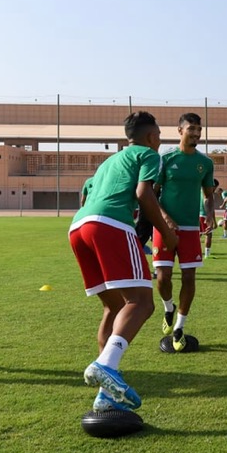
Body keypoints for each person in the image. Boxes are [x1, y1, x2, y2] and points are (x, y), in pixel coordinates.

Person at [69, 111, 178, 412]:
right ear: (151, 136)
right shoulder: (149, 155)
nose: (159, 140)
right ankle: (106, 365)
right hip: (111, 224)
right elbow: (144, 194)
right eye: (159, 135)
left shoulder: (108, 162)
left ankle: (106, 391)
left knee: (114, 307)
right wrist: (166, 233)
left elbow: (85, 192)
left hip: (78, 228)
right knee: (142, 302)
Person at [153, 113, 216, 351]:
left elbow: (208, 195)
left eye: (199, 129)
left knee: (189, 277)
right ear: (180, 130)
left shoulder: (205, 163)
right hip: (164, 227)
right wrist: (165, 218)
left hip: (191, 229)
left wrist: (210, 213)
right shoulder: (165, 158)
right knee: (163, 277)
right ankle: (168, 307)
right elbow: (152, 194)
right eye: (192, 129)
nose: (196, 133)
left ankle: (179, 326)